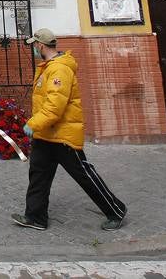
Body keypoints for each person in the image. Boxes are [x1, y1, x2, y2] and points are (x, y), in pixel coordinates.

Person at [11, 28, 127, 232]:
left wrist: (33, 124)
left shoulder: (59, 70)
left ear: (40, 45)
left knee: (84, 175)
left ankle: (116, 210)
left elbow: (55, 106)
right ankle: (36, 216)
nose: (33, 49)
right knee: (38, 174)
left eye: (34, 45)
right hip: (47, 135)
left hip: (62, 135)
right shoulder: (49, 67)